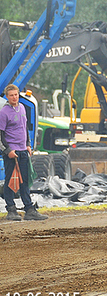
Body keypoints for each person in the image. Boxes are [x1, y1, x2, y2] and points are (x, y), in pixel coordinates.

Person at [1, 84, 47, 221]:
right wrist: (8, 150)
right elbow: (0, 134)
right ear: (7, 97)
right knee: (10, 181)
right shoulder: (3, 112)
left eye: (16, 95)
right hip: (12, 152)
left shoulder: (22, 108)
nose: (14, 97)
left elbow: (24, 127)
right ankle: (11, 209)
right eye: (11, 95)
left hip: (23, 150)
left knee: (25, 181)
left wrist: (27, 144)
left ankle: (29, 209)